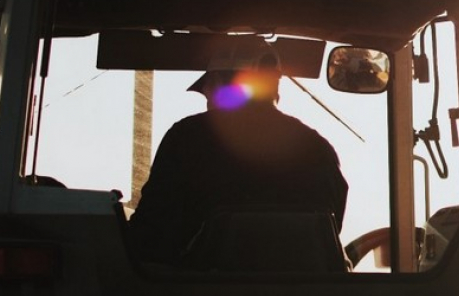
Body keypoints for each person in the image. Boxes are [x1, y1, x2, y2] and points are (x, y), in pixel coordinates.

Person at [128, 40, 349, 265]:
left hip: (197, 295)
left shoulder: (186, 138)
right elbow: (329, 231)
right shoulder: (318, 148)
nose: (207, 102)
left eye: (207, 92)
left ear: (217, 82)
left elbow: (151, 230)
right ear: (275, 86)